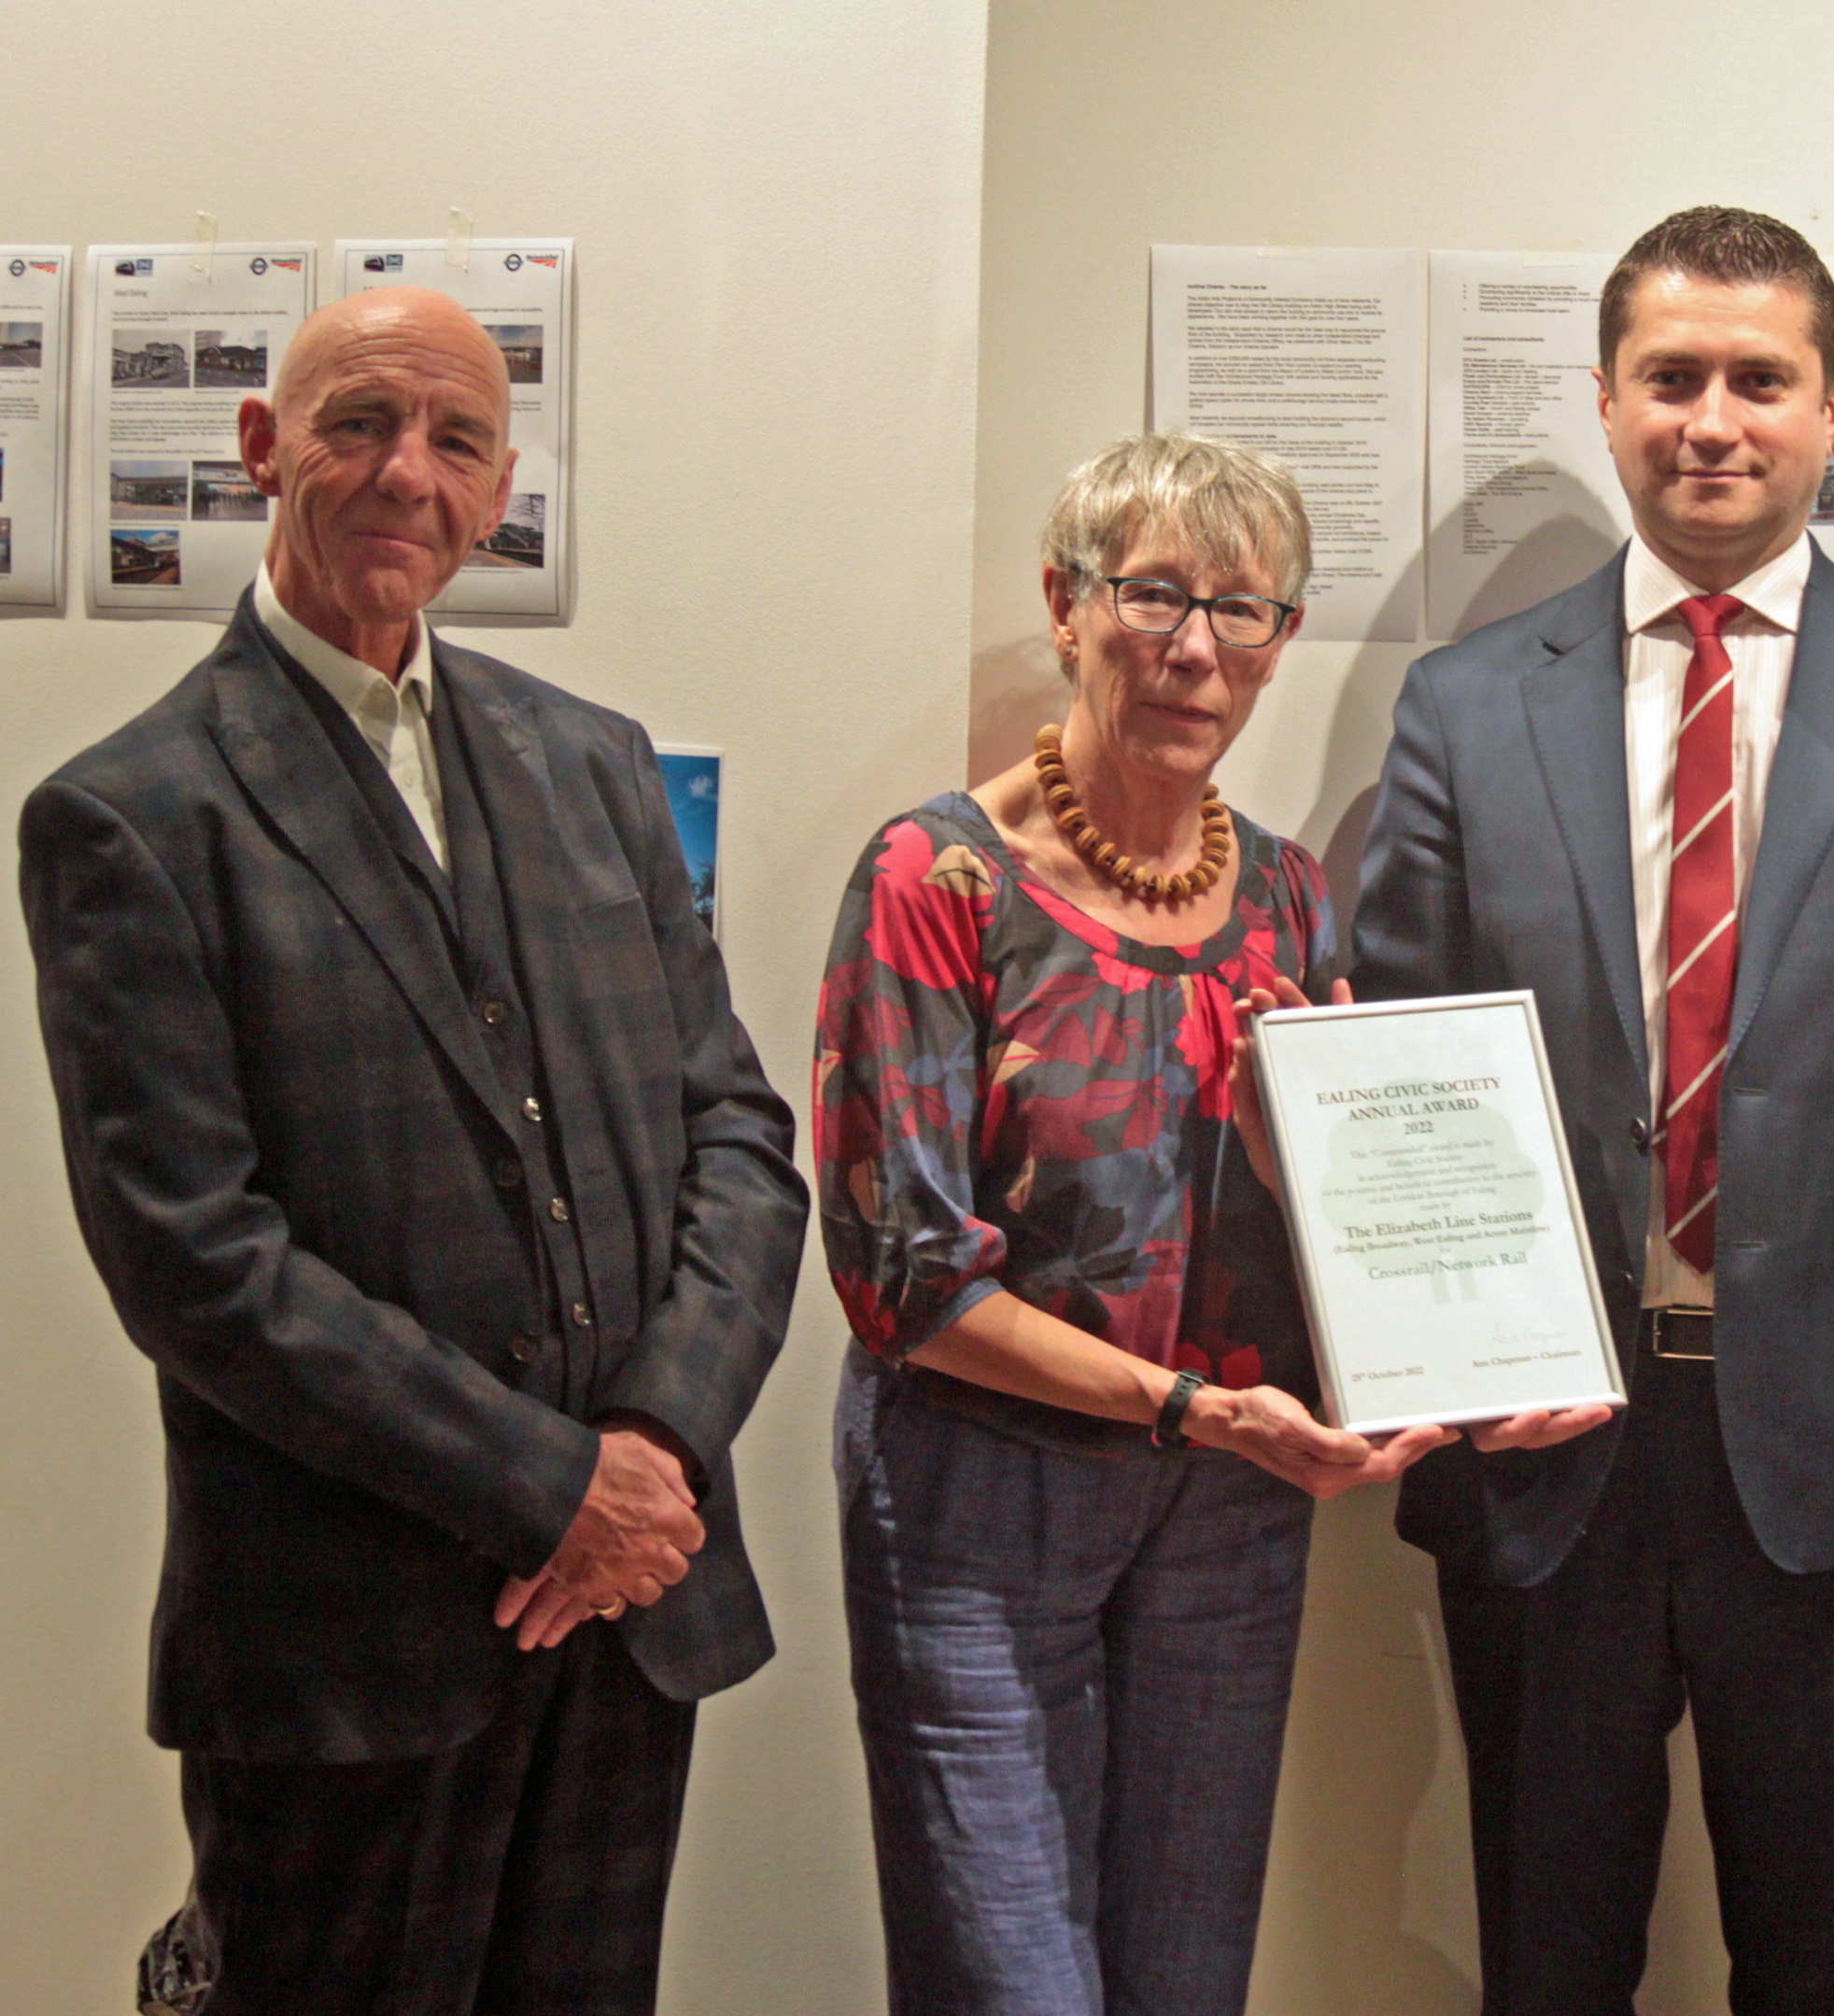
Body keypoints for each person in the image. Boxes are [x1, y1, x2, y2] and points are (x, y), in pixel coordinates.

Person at [19, 288, 806, 2015]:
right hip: (345, 1650)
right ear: (260, 449)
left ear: (501, 479)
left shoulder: (593, 764)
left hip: (622, 1626)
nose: (406, 475)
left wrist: (652, 1450)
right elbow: (196, 1261)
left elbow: (738, 1134)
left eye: (456, 440)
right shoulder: (132, 815)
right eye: (360, 424)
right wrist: (548, 1490)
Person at [1351, 205, 1834, 2016]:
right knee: (1547, 1958)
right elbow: (1392, 1068)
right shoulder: (1462, 707)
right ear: (1604, 404)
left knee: (1823, 1959)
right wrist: (1435, 1386)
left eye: (1760, 381)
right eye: (1671, 377)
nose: (1714, 419)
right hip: (1544, 1448)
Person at [815, 431, 1451, 2016]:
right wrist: (1177, 1404)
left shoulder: (1296, 896)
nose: (1193, 649)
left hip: (1229, 1507)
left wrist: (1303, 1165)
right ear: (1066, 605)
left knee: (1186, 1973)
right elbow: (898, 1279)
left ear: (1284, 642)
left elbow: (1349, 1218)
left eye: (1242, 612)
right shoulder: (936, 879)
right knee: (1006, 1980)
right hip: (984, 1491)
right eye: (1154, 595)